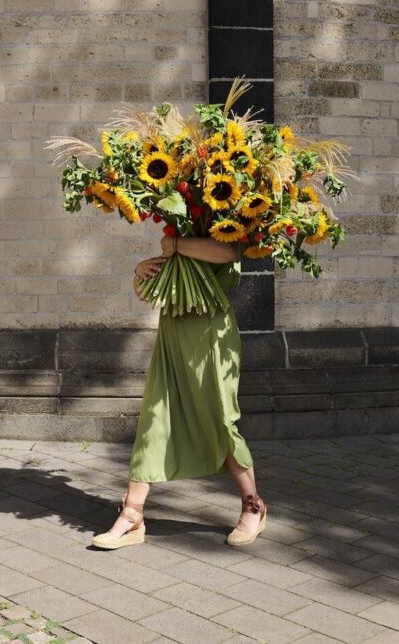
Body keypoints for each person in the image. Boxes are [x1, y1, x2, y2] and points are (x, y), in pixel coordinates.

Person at [91, 233, 267, 549]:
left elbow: (228, 253)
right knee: (153, 420)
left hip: (211, 338)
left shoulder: (225, 220)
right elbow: (151, 288)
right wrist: (141, 271)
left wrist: (174, 245)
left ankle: (253, 506)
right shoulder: (180, 223)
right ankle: (132, 515)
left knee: (220, 421)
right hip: (173, 332)